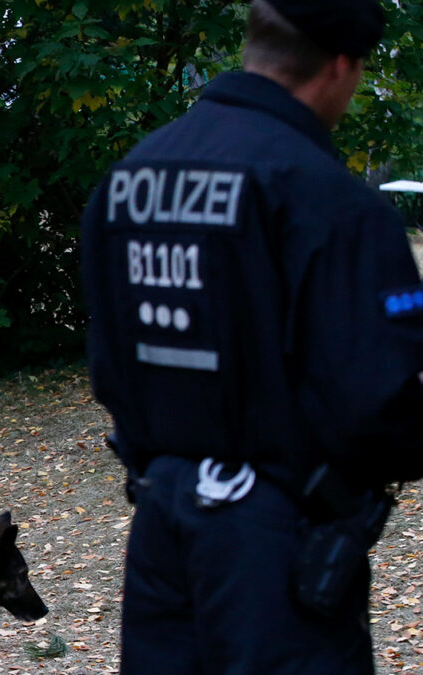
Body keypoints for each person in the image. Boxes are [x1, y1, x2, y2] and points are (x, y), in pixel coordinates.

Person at [80, 1, 423, 672]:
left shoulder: (129, 178)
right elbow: (376, 403)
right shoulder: (328, 197)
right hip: (278, 536)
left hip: (162, 523)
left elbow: (110, 363)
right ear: (342, 66)